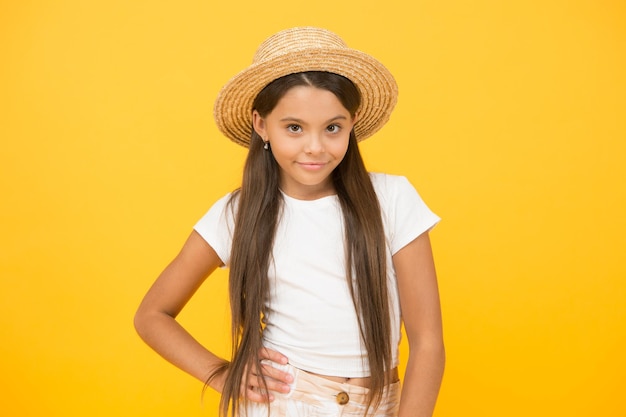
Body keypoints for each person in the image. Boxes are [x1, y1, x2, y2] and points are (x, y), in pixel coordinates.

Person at [134, 27, 445, 417]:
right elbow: (151, 315)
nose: (314, 147)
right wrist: (220, 374)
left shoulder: (393, 199)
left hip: (381, 405)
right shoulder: (239, 213)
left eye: (332, 127)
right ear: (261, 125)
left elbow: (428, 341)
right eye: (294, 128)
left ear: (351, 123)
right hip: (282, 405)